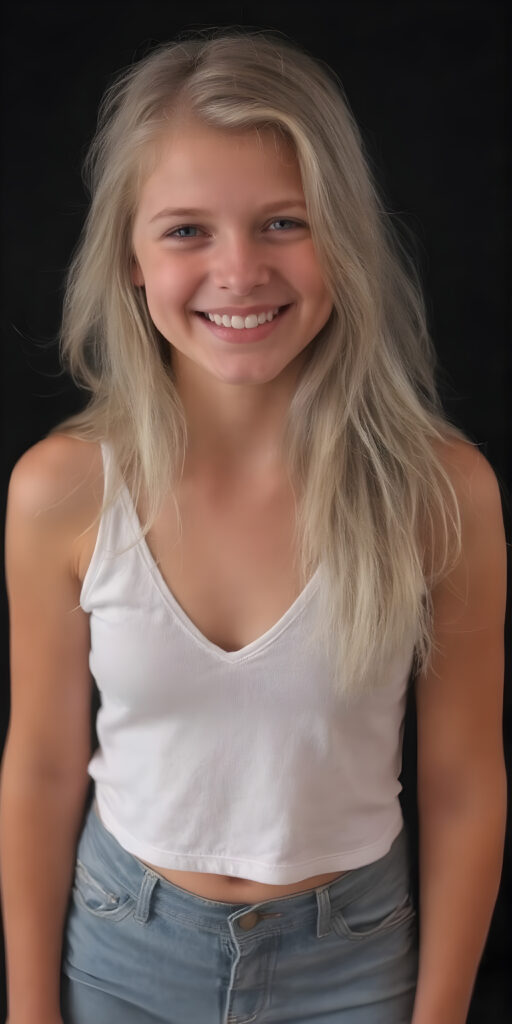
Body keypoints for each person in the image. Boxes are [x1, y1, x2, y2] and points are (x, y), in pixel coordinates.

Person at [0, 26, 507, 1024]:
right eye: (187, 230)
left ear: (343, 240)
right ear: (131, 262)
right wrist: (26, 1010)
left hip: (355, 966)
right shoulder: (61, 490)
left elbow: (460, 782)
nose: (238, 271)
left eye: (283, 222)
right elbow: (45, 763)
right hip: (115, 953)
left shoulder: (438, 494)